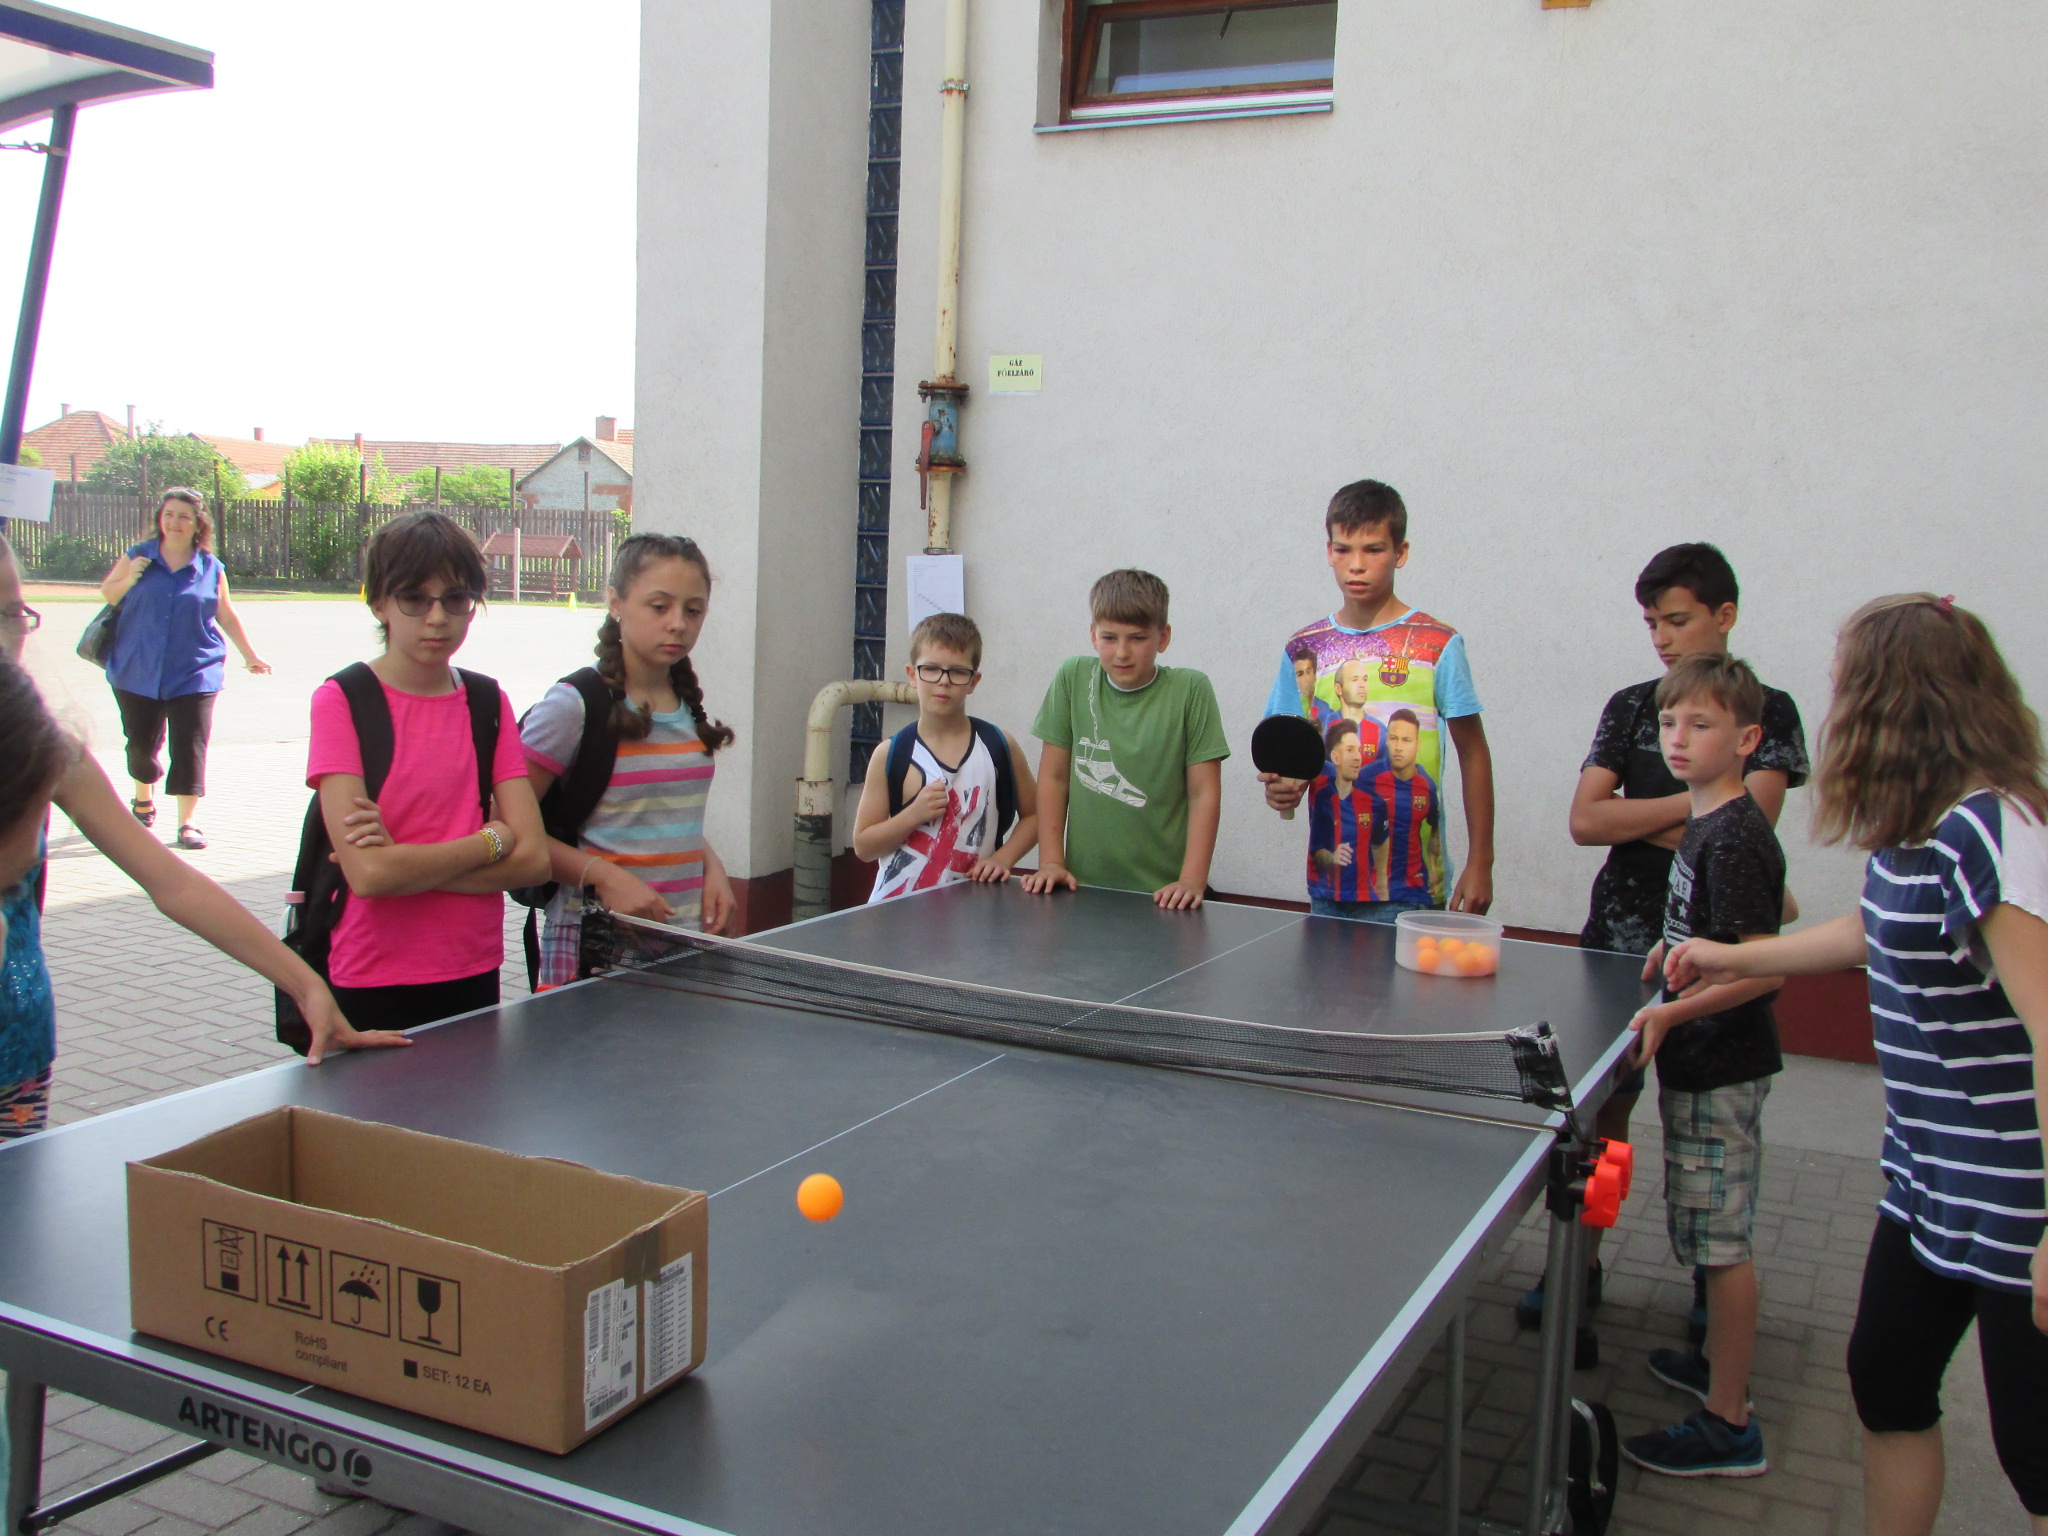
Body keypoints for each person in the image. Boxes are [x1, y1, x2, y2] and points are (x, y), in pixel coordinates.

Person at [1666, 595, 2048, 1532]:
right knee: (1886, 1387)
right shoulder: (1916, 826)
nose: (1834, 702)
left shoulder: (1993, 833)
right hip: (1925, 1180)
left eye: (1846, 683)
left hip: (2017, 1200)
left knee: (2038, 1457)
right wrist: (1732, 955)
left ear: (1893, 698)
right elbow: (1872, 931)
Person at [1526, 543, 1810, 1337]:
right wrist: (1695, 807)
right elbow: (1588, 821)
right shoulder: (1630, 705)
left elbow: (1747, 825)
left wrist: (1645, 816)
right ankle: (1578, 1268)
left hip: (1718, 960)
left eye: (1677, 620)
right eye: (1652, 622)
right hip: (1618, 945)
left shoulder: (1771, 709)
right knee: (1601, 1124)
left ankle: (1712, 1287)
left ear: (1725, 616)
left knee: (1709, 1133)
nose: (1662, 638)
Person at [1618, 653, 1787, 1478]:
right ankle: (1717, 1363)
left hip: (1722, 1063)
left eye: (1701, 724)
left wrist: (1671, 1011)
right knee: (1701, 1228)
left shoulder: (1737, 836)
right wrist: (1671, 946)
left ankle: (1730, 1421)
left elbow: (1764, 967)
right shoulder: (1703, 821)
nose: (1677, 739)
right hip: (1696, 1059)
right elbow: (1710, 931)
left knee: (1721, 1245)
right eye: (1668, 723)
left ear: (1747, 740)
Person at [308, 512, 547, 1031]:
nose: (437, 617)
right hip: (371, 970)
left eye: (456, 598)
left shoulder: (487, 701)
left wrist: (404, 867)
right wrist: (492, 840)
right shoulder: (343, 700)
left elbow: (534, 861)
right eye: (415, 598)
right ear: (378, 602)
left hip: (472, 964)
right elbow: (369, 876)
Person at [1261, 480, 1493, 918]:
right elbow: (1290, 758)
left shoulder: (1438, 644)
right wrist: (1283, 788)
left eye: (1373, 549)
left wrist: (1482, 861)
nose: (1357, 565)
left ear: (1400, 552)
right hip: (1330, 883)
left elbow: (1474, 753)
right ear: (1329, 551)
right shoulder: (1303, 649)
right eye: (1344, 549)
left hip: (1414, 887)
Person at [521, 534, 738, 986]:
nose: (677, 624)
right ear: (615, 603)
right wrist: (603, 876)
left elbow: (657, 814)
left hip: (682, 941)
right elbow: (507, 823)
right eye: (659, 607)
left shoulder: (684, 702)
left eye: (693, 610)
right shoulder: (572, 706)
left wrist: (711, 867)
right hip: (594, 944)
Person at [1020, 569, 1228, 909]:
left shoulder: (1192, 690)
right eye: (1109, 637)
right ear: (1093, 635)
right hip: (1081, 889)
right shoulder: (1073, 677)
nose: (1122, 652)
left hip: (1164, 896)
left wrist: (1192, 880)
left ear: (1163, 637)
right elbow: (1054, 779)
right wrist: (1051, 862)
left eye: (1137, 638)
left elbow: (1203, 792)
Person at [97, 488, 271, 851]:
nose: (174, 522)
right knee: (141, 747)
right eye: (169, 514)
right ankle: (143, 794)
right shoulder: (139, 556)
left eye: (183, 517)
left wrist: (250, 654)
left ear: (197, 525)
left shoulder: (211, 568)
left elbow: (225, 613)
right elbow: (109, 593)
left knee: (190, 745)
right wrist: (130, 578)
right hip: (136, 668)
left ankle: (187, 823)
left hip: (195, 670)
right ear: (160, 518)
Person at [853, 611, 1038, 900]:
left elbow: (1036, 816)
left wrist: (1003, 859)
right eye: (931, 669)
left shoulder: (998, 746)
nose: (943, 681)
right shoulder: (891, 754)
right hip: (897, 915)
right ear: (912, 675)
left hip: (975, 911)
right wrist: (913, 814)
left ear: (974, 681)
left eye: (958, 672)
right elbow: (864, 847)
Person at [1306, 718, 1385, 911]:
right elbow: (1317, 851)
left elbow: (1381, 844)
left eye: (1359, 750)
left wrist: (1382, 883)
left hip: (1372, 904)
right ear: (1336, 757)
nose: (1358, 757)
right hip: (1328, 901)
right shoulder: (1323, 798)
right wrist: (1332, 857)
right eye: (1350, 750)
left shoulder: (1375, 802)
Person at [1362, 709, 1440, 905]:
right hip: (1372, 893)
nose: (1398, 747)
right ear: (1386, 740)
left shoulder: (1427, 786)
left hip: (1415, 891)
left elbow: (1436, 825)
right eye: (1393, 739)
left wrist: (1433, 867)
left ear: (1417, 744)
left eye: (1406, 740)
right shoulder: (1365, 778)